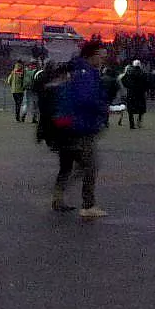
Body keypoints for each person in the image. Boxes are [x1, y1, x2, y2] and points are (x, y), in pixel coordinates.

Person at [50, 40, 110, 220]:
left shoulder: (76, 70)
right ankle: (87, 205)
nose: (103, 60)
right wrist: (103, 107)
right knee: (90, 165)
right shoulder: (86, 73)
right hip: (81, 125)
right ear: (92, 55)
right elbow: (85, 99)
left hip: (69, 124)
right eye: (101, 56)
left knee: (70, 163)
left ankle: (58, 195)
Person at [120, 60, 149, 129]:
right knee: (141, 109)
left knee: (130, 109)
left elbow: (123, 79)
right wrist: (145, 89)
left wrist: (128, 86)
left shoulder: (129, 72)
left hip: (131, 92)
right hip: (140, 93)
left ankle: (131, 124)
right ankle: (139, 122)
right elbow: (147, 82)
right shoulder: (143, 73)